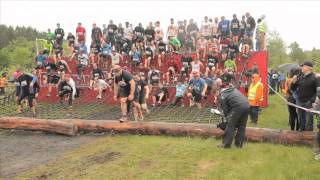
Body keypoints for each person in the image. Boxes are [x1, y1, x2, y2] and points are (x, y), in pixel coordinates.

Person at [215, 72, 250, 148]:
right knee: (242, 126)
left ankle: (226, 144)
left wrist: (227, 120)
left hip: (238, 106)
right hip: (247, 104)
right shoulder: (232, 88)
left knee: (230, 125)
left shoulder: (223, 95)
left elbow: (226, 110)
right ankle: (239, 144)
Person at [291, 60, 320, 131]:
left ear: (309, 68)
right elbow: (293, 89)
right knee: (301, 120)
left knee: (308, 122)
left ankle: (309, 138)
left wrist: (314, 102)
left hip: (309, 103)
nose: (301, 67)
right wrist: (293, 82)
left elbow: (318, 91)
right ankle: (302, 138)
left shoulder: (315, 77)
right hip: (300, 102)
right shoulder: (300, 76)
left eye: (303, 66)